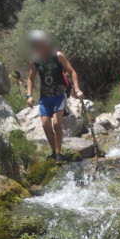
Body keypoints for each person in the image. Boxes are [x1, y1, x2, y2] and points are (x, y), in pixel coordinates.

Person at [26, 30, 84, 164]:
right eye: (36, 44)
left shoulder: (57, 55)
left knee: (57, 123)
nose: (39, 46)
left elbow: (72, 72)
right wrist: (29, 95)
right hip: (45, 97)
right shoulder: (35, 60)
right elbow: (30, 78)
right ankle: (54, 151)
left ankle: (59, 153)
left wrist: (77, 89)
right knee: (46, 124)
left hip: (59, 95)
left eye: (40, 43)